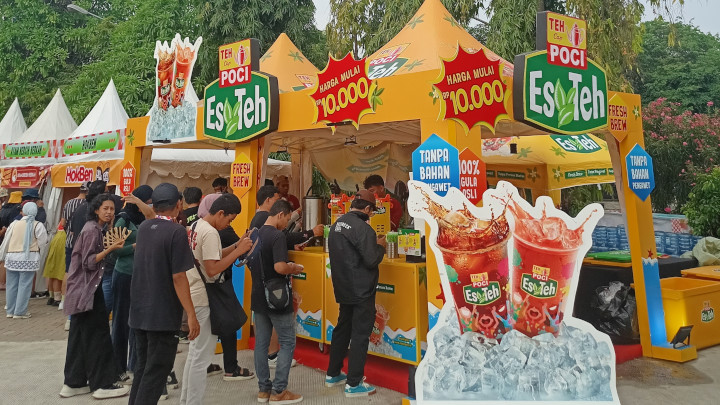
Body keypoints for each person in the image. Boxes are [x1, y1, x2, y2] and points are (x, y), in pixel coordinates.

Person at [128, 183, 199, 405]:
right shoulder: (176, 232)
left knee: (143, 368)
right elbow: (179, 277)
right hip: (162, 314)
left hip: (140, 310)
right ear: (179, 204)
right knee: (156, 372)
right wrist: (191, 314)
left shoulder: (145, 227)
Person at [181, 193, 253, 404]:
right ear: (220, 213)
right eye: (229, 220)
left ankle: (186, 400)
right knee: (201, 358)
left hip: (194, 292)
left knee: (194, 354)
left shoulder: (196, 225)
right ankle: (192, 402)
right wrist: (238, 251)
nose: (228, 224)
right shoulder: (211, 232)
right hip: (205, 297)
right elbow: (212, 269)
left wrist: (236, 245)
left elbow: (213, 255)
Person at [61, 194, 129, 399]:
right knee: (98, 336)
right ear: (96, 210)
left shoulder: (95, 228)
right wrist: (111, 248)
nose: (109, 212)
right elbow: (89, 262)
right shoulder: (92, 230)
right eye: (105, 208)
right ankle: (102, 384)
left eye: (112, 209)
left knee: (79, 338)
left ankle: (73, 383)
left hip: (81, 289)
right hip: (88, 290)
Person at [250, 185, 322, 367]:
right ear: (269, 201)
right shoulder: (268, 226)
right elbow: (280, 259)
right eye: (277, 198)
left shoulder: (259, 223)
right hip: (272, 285)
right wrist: (293, 267)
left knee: (261, 333)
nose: (279, 200)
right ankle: (274, 357)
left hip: (259, 284)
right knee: (283, 333)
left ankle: (264, 373)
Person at [325, 190, 387, 397]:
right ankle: (354, 383)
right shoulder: (364, 229)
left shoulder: (337, 225)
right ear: (367, 209)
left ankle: (333, 373)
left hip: (343, 287)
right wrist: (380, 247)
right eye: (372, 211)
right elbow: (371, 259)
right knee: (360, 334)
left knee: (342, 329)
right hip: (362, 290)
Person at [249, 199, 304, 404]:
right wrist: (293, 268)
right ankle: (279, 390)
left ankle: (263, 390)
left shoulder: (255, 234)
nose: (287, 223)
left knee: (261, 344)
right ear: (280, 214)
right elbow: (280, 267)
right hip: (277, 296)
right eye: (287, 218)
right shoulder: (277, 236)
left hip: (258, 295)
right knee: (288, 341)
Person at [111, 185, 153, 386]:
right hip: (124, 275)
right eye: (148, 201)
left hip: (140, 276)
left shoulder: (144, 218)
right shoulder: (124, 219)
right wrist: (136, 245)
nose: (149, 205)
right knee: (120, 323)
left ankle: (134, 365)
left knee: (136, 323)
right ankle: (117, 368)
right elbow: (115, 249)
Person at [1, 202, 49, 319]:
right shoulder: (38, 225)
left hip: (12, 256)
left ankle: (10, 310)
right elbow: (43, 242)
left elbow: (7, 240)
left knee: (11, 284)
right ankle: (20, 311)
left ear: (24, 211)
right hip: (29, 257)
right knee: (25, 284)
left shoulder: (14, 224)